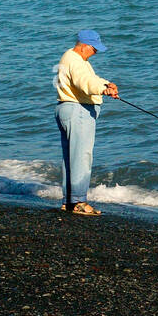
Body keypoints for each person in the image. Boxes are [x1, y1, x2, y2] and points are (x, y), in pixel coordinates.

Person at [55, 30, 118, 215]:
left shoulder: (74, 59)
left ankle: (69, 201)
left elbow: (90, 79)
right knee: (82, 158)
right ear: (84, 46)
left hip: (68, 109)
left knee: (71, 159)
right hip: (78, 111)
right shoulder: (75, 60)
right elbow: (85, 82)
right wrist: (103, 89)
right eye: (94, 49)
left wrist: (107, 84)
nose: (96, 53)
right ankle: (79, 202)